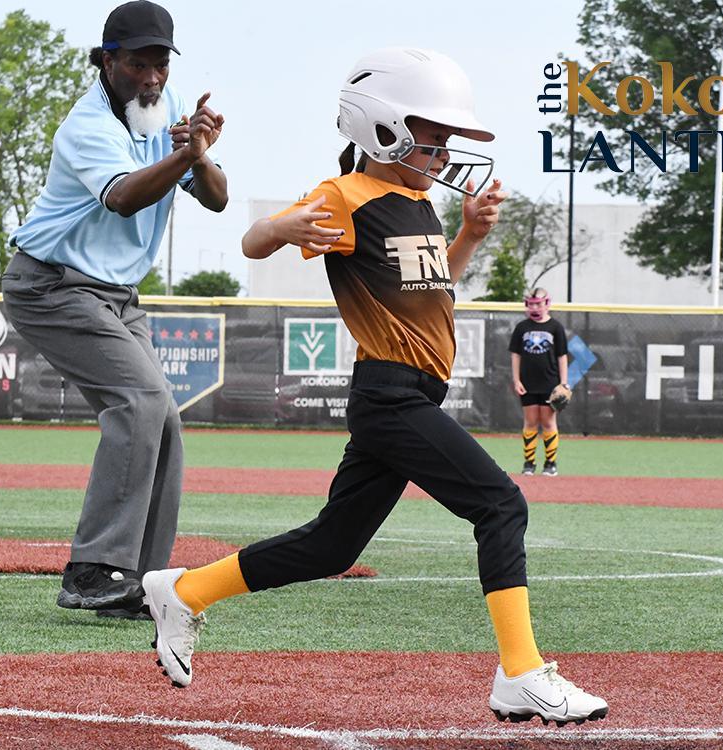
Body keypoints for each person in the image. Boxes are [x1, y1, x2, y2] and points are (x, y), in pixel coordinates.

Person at [141, 47, 608, 727]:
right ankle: (520, 672)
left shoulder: (417, 200)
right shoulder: (345, 195)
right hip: (389, 393)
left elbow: (431, 285)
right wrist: (281, 228)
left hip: (410, 395)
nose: (444, 149)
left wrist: (471, 236)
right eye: (434, 132)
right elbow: (249, 242)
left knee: (333, 546)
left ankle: (183, 590)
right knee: (501, 505)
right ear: (381, 126)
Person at [1, 0, 228, 619]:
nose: (151, 77)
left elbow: (217, 200)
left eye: (159, 64)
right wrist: (183, 156)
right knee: (141, 402)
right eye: (137, 64)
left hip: (116, 294)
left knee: (165, 420)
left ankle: (140, 582)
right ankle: (92, 569)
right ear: (105, 61)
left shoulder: (167, 105)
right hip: (51, 285)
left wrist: (200, 154)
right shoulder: (87, 126)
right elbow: (125, 198)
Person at [509, 288, 569, 476]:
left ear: (547, 304)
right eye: (531, 303)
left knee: (548, 421)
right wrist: (516, 379)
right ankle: (529, 463)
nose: (535, 307)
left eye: (538, 303)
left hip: (550, 383)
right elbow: (516, 355)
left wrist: (564, 383)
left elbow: (562, 357)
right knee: (531, 421)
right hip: (527, 382)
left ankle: (550, 463)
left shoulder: (555, 327)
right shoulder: (522, 327)